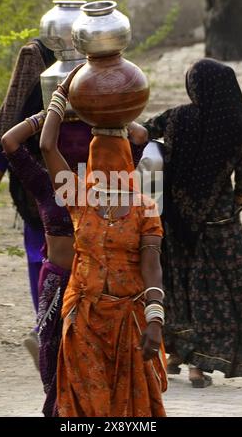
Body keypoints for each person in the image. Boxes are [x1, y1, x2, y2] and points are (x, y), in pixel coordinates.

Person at [40, 66, 167, 417]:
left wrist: (155, 319)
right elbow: (46, 144)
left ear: (126, 159)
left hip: (130, 321)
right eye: (101, 152)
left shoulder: (144, 207)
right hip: (83, 317)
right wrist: (61, 92)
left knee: (130, 409)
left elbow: (151, 268)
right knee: (87, 406)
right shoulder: (78, 195)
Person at [143, 58, 242, 387]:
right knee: (230, 290)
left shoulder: (178, 117)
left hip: (177, 221)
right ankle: (199, 364)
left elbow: (142, 134)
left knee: (180, 287)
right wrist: (237, 200)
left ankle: (177, 352)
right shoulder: (234, 125)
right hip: (220, 222)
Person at [1, 109, 92, 416]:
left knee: (89, 367)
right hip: (56, 285)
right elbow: (10, 141)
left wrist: (93, 109)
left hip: (91, 288)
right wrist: (49, 112)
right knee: (55, 368)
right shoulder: (43, 185)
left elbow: (139, 136)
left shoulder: (105, 187)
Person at [0, 38, 56, 367]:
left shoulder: (17, 109)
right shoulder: (63, 98)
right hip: (58, 198)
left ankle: (44, 329)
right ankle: (49, 330)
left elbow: (0, 156)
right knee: (55, 262)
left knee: (40, 262)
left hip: (34, 199)